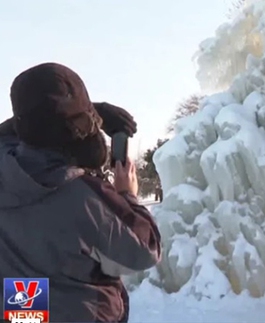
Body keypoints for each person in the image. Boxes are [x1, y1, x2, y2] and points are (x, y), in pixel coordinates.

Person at [0, 63, 161, 322]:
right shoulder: (83, 193)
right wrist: (128, 196)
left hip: (22, 311)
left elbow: (10, 130)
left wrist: (87, 113)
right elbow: (144, 251)